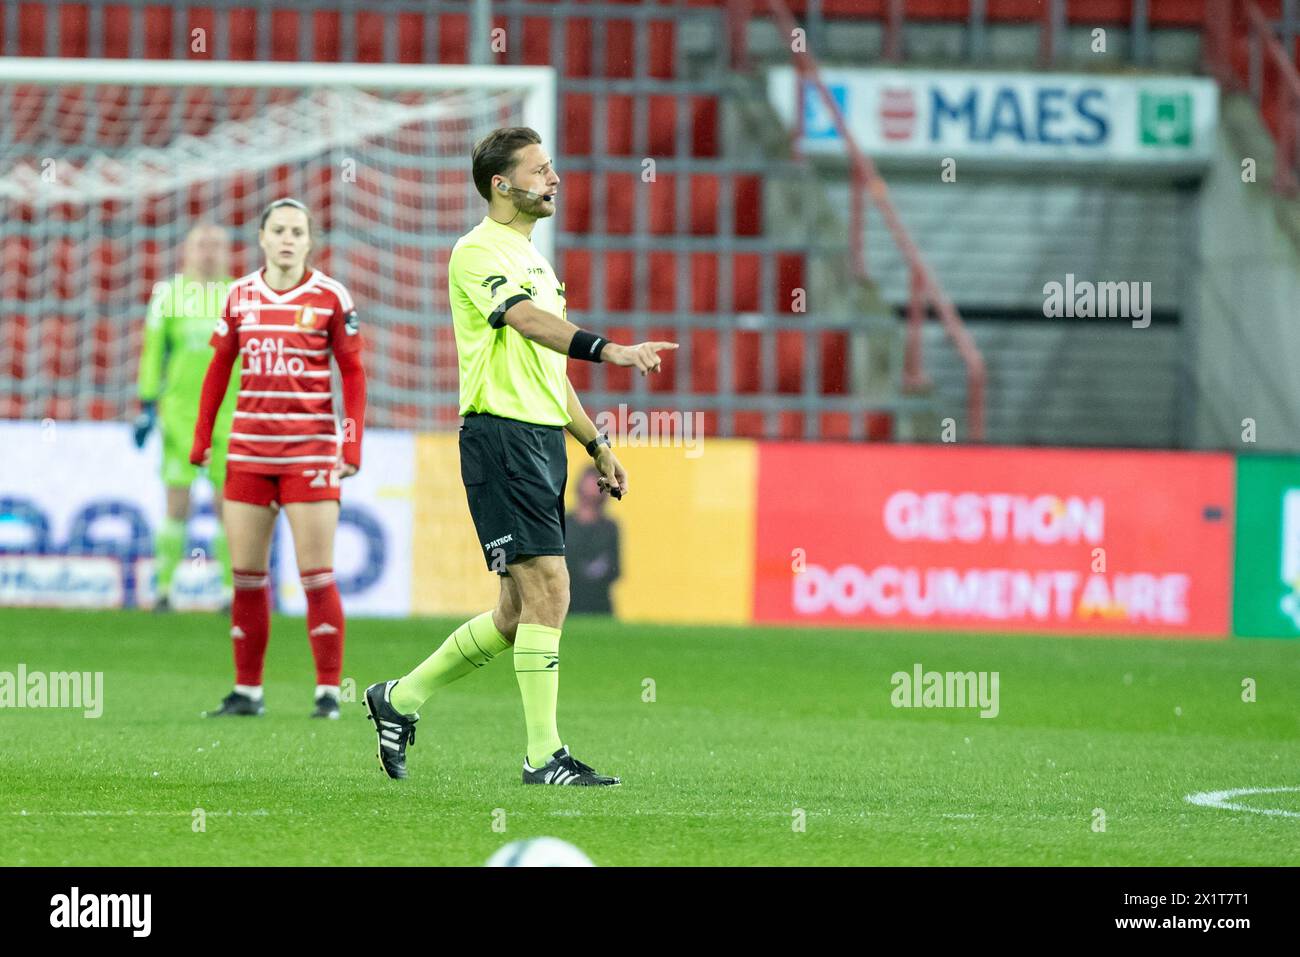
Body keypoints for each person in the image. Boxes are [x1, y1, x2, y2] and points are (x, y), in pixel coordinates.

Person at [365, 126, 676, 786]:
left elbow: (547, 372)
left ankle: (399, 698)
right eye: (541, 169)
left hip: (538, 439)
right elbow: (527, 322)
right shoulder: (477, 252)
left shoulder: (536, 261)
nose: (555, 179)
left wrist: (596, 443)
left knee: (516, 613)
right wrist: (612, 349)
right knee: (552, 590)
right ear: (502, 184)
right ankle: (544, 756)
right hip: (500, 437)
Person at [190, 198, 366, 720]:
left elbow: (353, 375)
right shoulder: (239, 296)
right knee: (246, 577)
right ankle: (247, 691)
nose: (288, 239)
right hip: (247, 451)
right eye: (279, 230)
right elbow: (219, 369)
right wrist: (203, 438)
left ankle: (328, 692)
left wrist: (349, 444)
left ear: (310, 241)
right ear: (263, 239)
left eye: (298, 231)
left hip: (310, 452)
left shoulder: (332, 297)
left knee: (316, 575)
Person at [134, 224, 237, 611]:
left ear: (227, 252)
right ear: (187, 251)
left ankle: (231, 592)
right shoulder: (168, 295)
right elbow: (153, 352)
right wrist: (146, 405)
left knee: (229, 503)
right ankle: (163, 590)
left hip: (230, 416)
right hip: (179, 417)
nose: (208, 251)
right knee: (177, 501)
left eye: (215, 244)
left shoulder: (240, 295)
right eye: (201, 244)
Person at [565, 467, 621, 615]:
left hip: (600, 602)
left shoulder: (609, 527)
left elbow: (616, 568)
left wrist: (597, 571)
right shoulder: (564, 523)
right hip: (570, 601)